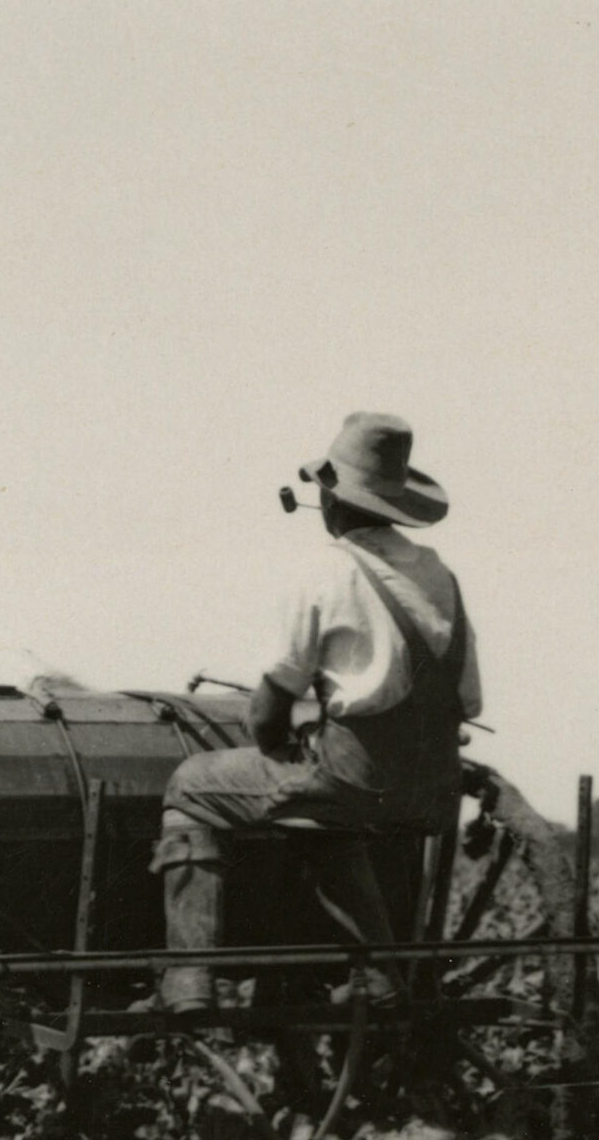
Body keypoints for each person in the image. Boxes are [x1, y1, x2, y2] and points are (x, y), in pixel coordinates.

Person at [155, 411, 482, 1016]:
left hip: (350, 783)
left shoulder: (326, 572)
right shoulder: (442, 578)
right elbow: (465, 702)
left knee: (190, 786)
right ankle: (378, 976)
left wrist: (278, 742)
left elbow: (269, 708)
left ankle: (189, 977)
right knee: (334, 818)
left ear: (332, 500)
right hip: (432, 791)